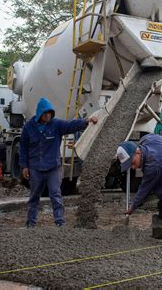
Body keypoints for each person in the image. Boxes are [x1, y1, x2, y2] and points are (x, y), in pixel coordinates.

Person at [20, 97, 98, 228]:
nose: (48, 115)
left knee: (56, 195)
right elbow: (23, 148)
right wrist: (24, 166)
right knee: (34, 197)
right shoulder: (29, 127)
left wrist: (86, 121)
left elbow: (70, 125)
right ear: (40, 113)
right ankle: (30, 224)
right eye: (46, 113)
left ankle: (60, 223)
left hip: (52, 167)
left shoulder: (56, 125)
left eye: (50, 113)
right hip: (35, 168)